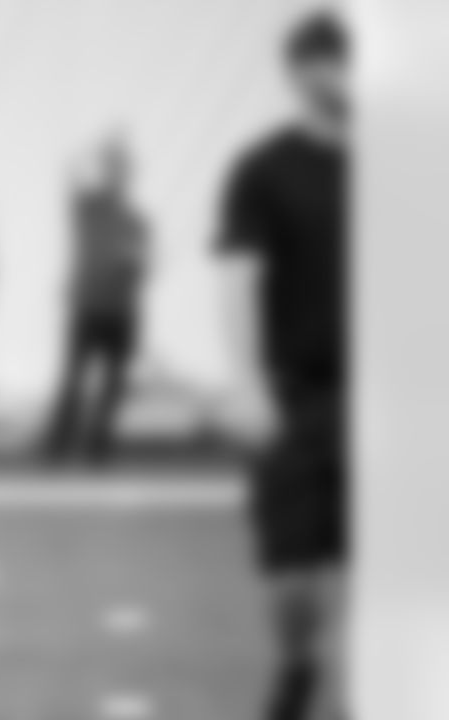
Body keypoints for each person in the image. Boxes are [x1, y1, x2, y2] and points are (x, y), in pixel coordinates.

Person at [214, 11, 350, 720]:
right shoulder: (262, 171)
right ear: (299, 74)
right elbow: (239, 276)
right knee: (291, 574)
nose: (346, 76)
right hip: (296, 396)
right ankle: (300, 663)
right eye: (331, 62)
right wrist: (246, 382)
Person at [44, 135, 151, 464]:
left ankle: (98, 449)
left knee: (114, 384)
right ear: (105, 171)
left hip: (122, 311)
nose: (118, 175)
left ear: (129, 175)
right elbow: (69, 172)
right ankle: (57, 448)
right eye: (113, 168)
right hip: (86, 306)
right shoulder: (87, 206)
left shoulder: (137, 220)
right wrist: (93, 148)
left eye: (123, 169)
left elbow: (143, 269)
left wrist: (134, 261)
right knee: (73, 378)